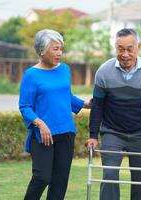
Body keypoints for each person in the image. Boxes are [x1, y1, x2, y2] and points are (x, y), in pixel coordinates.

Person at [86, 28, 141, 200]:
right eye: (120, 49)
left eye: (129, 49)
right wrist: (93, 135)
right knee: (109, 175)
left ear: (138, 47)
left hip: (140, 133)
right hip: (112, 132)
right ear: (115, 47)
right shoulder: (104, 71)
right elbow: (98, 106)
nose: (125, 54)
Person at [19, 29, 91, 200]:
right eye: (55, 49)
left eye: (60, 49)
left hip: (66, 132)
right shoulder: (31, 75)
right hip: (43, 136)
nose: (59, 53)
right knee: (42, 177)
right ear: (42, 50)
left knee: (60, 182)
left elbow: (65, 96)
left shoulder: (64, 70)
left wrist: (86, 104)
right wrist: (40, 124)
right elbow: (25, 106)